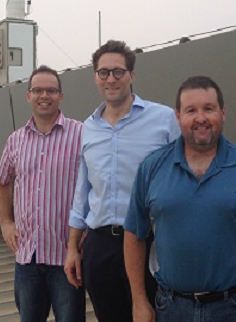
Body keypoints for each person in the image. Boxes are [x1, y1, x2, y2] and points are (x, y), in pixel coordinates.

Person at [124, 75, 236, 322]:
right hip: (172, 308)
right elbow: (134, 236)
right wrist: (139, 301)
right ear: (178, 117)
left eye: (209, 109)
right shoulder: (152, 168)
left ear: (223, 113)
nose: (200, 118)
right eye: (191, 110)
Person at [64, 40, 181, 322]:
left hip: (150, 241)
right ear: (95, 78)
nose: (111, 79)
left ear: (131, 75)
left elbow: (183, 176)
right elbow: (84, 189)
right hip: (101, 245)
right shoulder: (88, 128)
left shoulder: (163, 120)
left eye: (118, 71)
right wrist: (72, 247)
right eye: (103, 72)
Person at [0, 65, 85, 322]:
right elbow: (1, 182)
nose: (44, 96)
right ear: (28, 96)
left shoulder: (81, 134)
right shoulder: (16, 140)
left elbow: (96, 185)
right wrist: (6, 222)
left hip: (66, 257)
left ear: (61, 96)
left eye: (51, 91)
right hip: (27, 258)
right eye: (38, 90)